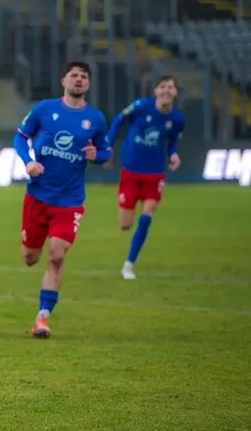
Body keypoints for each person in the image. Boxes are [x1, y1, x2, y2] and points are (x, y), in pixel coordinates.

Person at [13, 60, 111, 339]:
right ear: (63, 80)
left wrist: (98, 156)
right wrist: (28, 161)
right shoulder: (45, 109)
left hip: (70, 200)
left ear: (88, 84)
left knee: (57, 255)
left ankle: (42, 318)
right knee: (30, 257)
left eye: (83, 76)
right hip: (37, 195)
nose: (78, 79)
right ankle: (32, 249)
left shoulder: (95, 119)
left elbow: (105, 151)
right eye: (74, 75)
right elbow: (20, 137)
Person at [106, 76, 185, 280]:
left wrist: (174, 154)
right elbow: (117, 119)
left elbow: (173, 142)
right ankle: (128, 260)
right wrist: (108, 146)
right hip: (131, 171)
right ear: (156, 90)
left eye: (170, 87)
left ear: (175, 93)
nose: (166, 90)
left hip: (155, 173)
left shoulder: (177, 119)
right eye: (162, 87)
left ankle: (128, 265)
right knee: (125, 224)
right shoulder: (141, 106)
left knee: (147, 216)